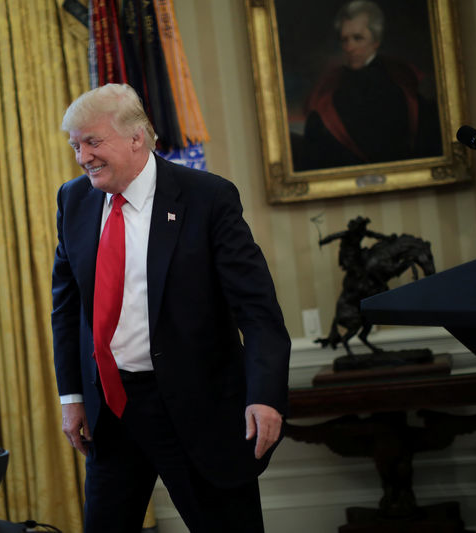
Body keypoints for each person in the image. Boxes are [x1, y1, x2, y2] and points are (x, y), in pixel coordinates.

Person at [51, 83, 291, 532]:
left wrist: (265, 395)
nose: (83, 157)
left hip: (195, 407)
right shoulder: (74, 200)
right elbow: (66, 308)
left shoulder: (206, 198)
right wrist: (73, 397)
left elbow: (257, 310)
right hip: (112, 409)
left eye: (93, 142)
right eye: (75, 145)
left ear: (136, 137)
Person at [299, 0, 441, 170]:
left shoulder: (399, 83)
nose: (349, 47)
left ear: (376, 41)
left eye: (357, 38)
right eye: (344, 40)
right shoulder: (332, 86)